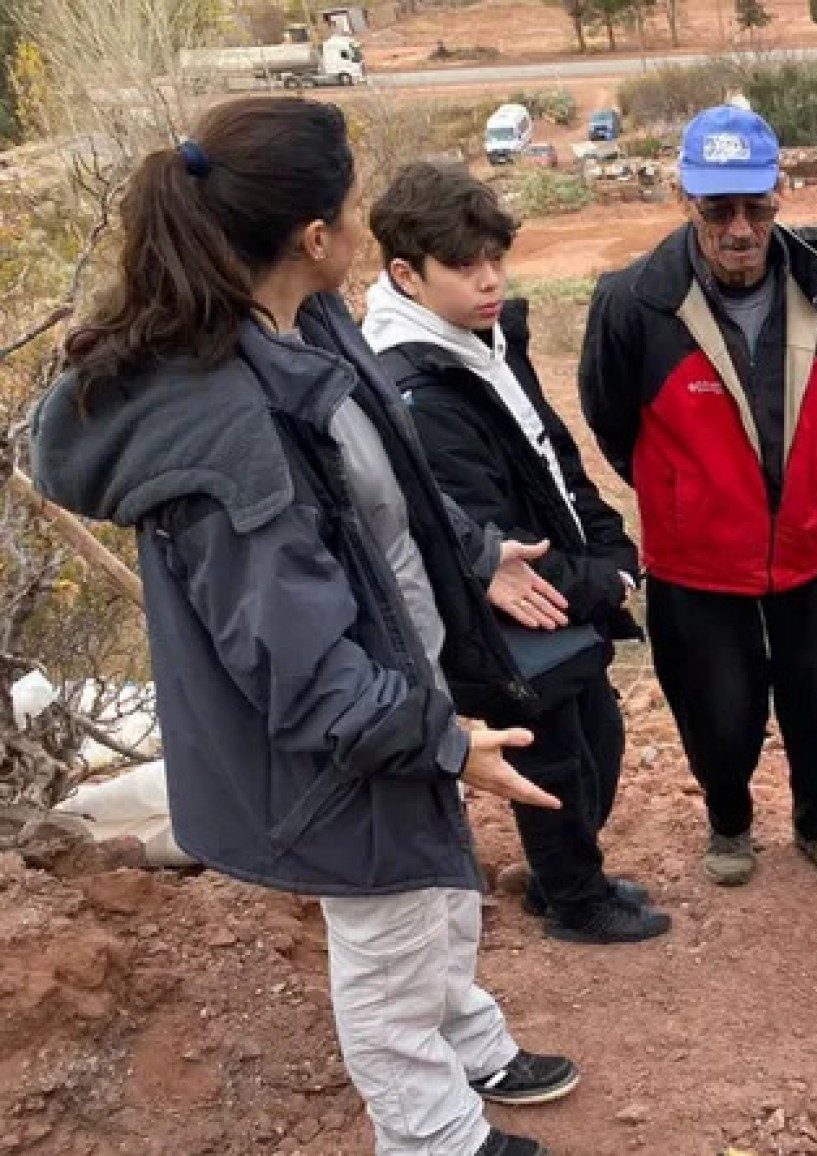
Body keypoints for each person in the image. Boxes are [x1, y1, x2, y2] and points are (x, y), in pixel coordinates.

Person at [32, 99, 577, 1156]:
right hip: (339, 744)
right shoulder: (225, 425)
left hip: (395, 696)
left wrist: (472, 551)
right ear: (313, 236)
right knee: (387, 938)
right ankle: (433, 1138)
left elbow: (382, 479)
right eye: (351, 203)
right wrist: (447, 745)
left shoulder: (303, 318)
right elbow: (304, 670)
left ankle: (466, 1040)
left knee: (433, 895)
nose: (364, 223)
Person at [364, 160, 669, 946]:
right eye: (466, 268)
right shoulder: (414, 386)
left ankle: (563, 878)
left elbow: (550, 456)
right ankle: (574, 899)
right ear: (406, 272)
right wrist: (598, 578)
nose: (491, 280)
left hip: (555, 587)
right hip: (501, 610)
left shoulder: (478, 341)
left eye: (497, 259)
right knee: (557, 755)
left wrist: (609, 541)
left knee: (595, 734)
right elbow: (489, 532)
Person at [578, 105, 817, 888]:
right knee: (717, 706)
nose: (739, 229)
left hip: (812, 544)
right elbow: (610, 420)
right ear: (685, 198)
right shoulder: (632, 302)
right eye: (718, 210)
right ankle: (730, 822)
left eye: (756, 208)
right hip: (696, 559)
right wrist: (684, 495)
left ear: (781, 194)